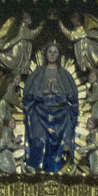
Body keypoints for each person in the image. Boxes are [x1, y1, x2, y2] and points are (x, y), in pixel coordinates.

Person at [22, 42, 79, 174]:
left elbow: (73, 99)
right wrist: (37, 96)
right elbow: (27, 97)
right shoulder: (37, 74)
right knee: (39, 137)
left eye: (55, 52)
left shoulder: (65, 76)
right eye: (50, 51)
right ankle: (35, 166)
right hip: (39, 111)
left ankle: (60, 168)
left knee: (61, 140)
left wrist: (63, 98)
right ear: (45, 54)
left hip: (61, 114)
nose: (52, 54)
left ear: (59, 55)